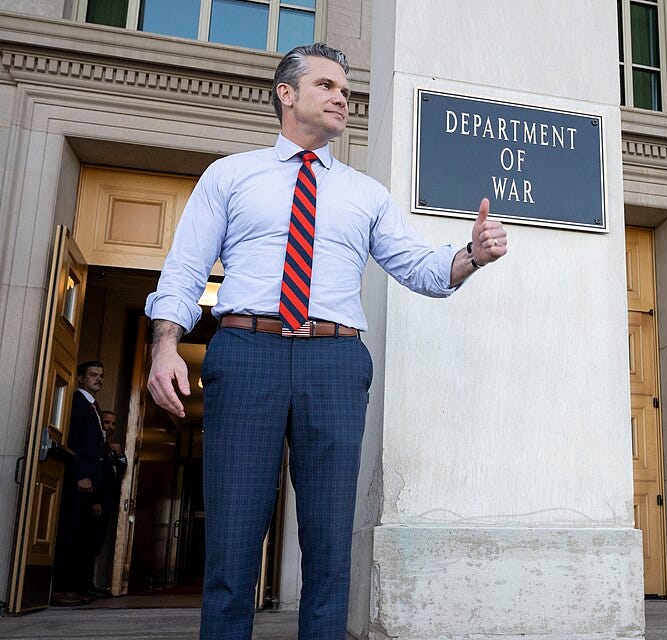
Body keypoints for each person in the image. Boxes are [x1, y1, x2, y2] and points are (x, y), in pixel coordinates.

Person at [144, 43, 507, 639]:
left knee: (329, 538)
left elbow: (418, 268)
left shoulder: (366, 193)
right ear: (286, 94)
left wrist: (471, 254)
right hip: (247, 354)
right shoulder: (230, 176)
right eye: (327, 85)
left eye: (346, 89)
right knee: (233, 534)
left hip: (334, 361)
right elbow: (184, 271)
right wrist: (165, 347)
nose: (342, 97)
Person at [51, 360, 106, 606]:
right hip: (78, 481)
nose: (98, 379)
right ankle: (58, 589)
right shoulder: (77, 403)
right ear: (81, 378)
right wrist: (80, 474)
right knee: (68, 535)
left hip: (90, 486)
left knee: (82, 538)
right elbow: (73, 441)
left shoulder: (94, 407)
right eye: (93, 374)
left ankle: (73, 587)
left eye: (101, 375)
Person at [80, 410, 128, 598]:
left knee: (95, 545)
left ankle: (88, 584)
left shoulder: (109, 446)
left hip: (107, 503)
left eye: (113, 423)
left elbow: (119, 470)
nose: (111, 427)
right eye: (107, 422)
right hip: (94, 502)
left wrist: (120, 454)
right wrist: (94, 501)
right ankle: (81, 586)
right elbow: (94, 472)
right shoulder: (96, 443)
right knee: (87, 545)